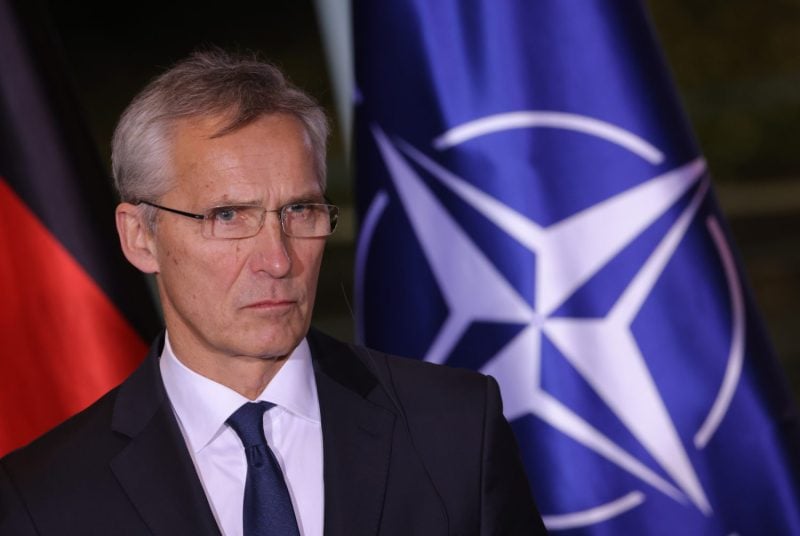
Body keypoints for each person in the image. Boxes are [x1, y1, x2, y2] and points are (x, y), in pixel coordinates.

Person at [0, 49, 547, 535]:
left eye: (300, 211)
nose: (278, 259)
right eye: (229, 215)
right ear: (140, 237)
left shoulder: (454, 427)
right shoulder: (42, 496)